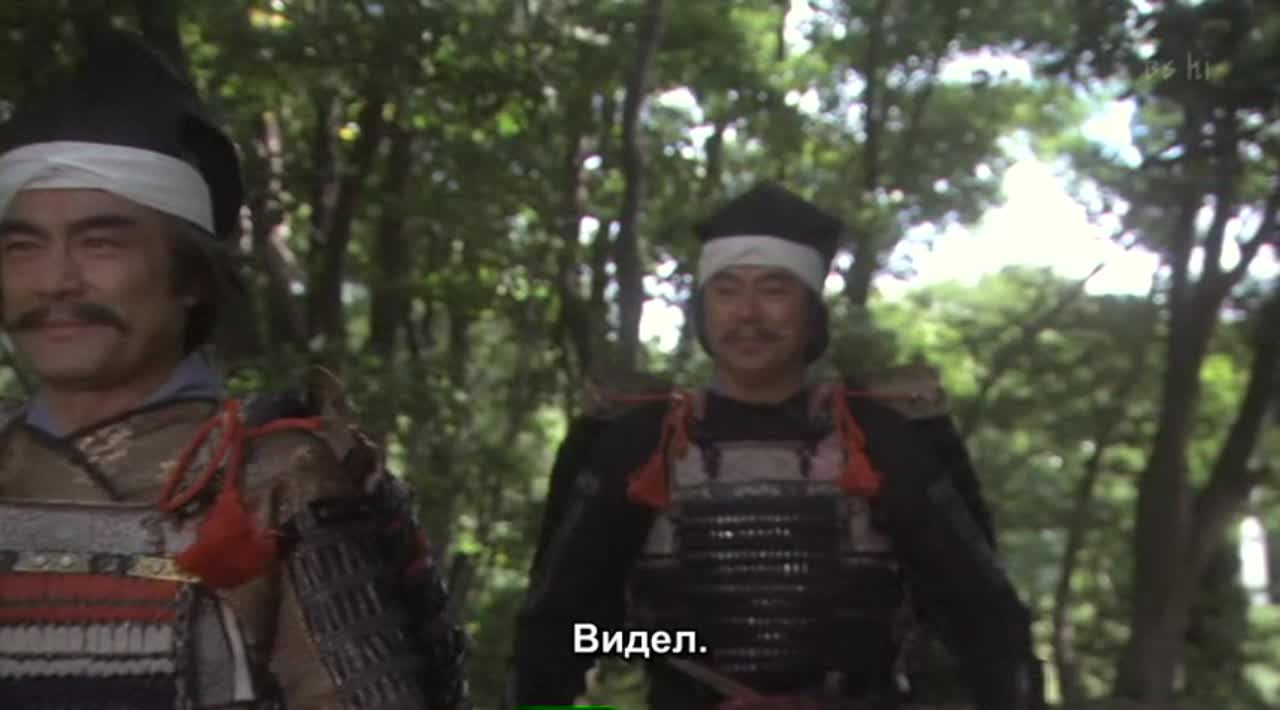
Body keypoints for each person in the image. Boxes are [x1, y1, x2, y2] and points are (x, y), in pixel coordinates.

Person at [0, 30, 467, 710]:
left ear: (191, 277)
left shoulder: (275, 479)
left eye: (100, 244)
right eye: (23, 248)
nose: (55, 282)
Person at [507, 182, 1044, 709]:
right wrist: (671, 650)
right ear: (703, 310)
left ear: (810, 312)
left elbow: (986, 622)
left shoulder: (880, 439)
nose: (747, 314)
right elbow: (565, 632)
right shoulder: (641, 443)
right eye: (726, 291)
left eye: (774, 290)